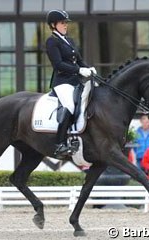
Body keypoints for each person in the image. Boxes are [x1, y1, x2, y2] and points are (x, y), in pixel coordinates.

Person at [45, 10, 96, 157]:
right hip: (62, 82)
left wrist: (88, 69)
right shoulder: (52, 41)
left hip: (76, 81)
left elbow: (79, 60)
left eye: (66, 23)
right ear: (54, 25)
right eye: (62, 23)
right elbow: (58, 64)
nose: (65, 25)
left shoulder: (69, 40)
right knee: (69, 105)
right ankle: (59, 144)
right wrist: (79, 70)